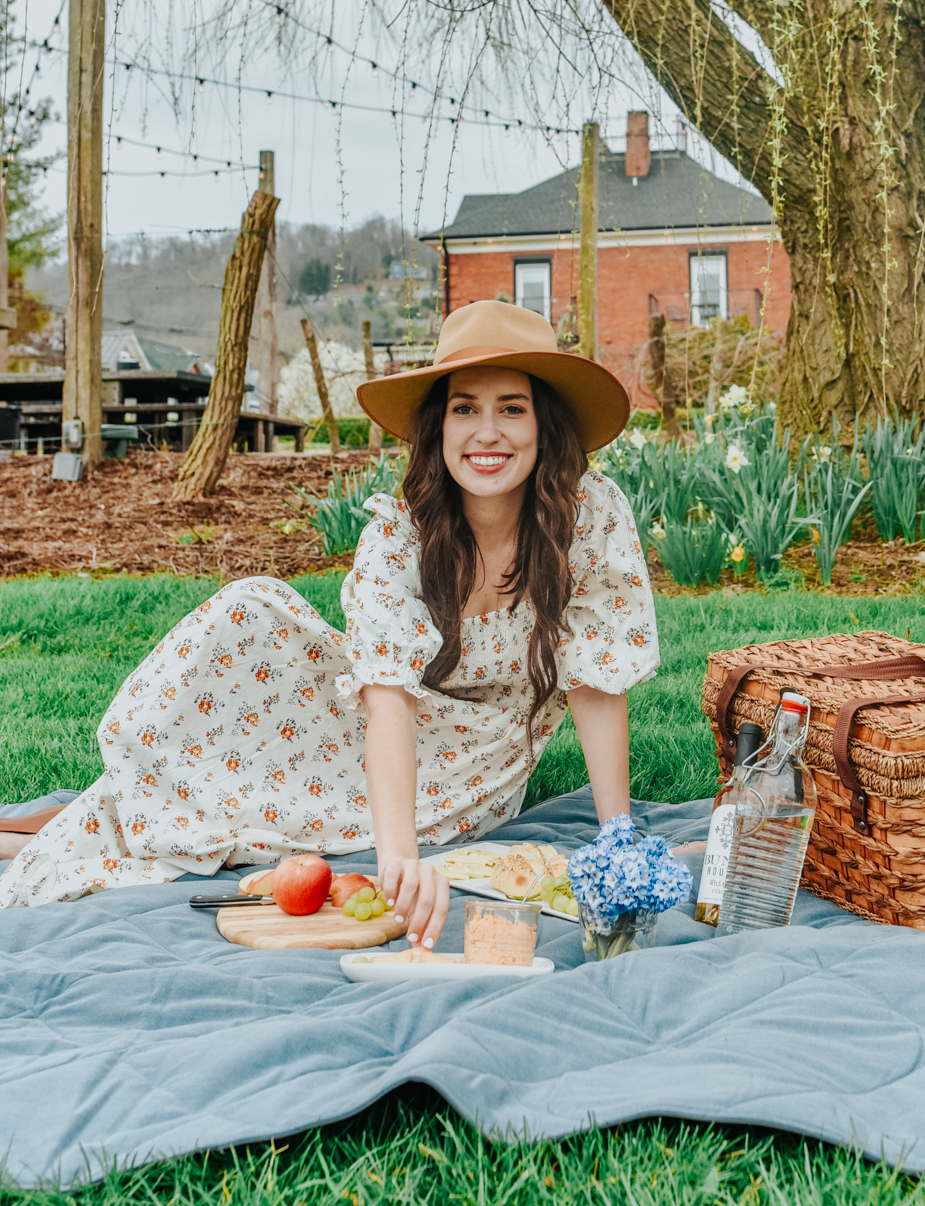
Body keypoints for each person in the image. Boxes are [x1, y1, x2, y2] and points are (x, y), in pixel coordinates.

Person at [0, 302, 659, 951]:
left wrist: (617, 838)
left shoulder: (588, 517)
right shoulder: (399, 535)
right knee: (249, 611)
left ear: (544, 424)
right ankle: (63, 821)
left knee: (258, 815)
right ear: (439, 427)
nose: (487, 432)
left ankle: (64, 824)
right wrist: (398, 857)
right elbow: (387, 704)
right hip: (378, 729)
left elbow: (596, 685)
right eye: (465, 408)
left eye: (512, 408)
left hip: (473, 765)